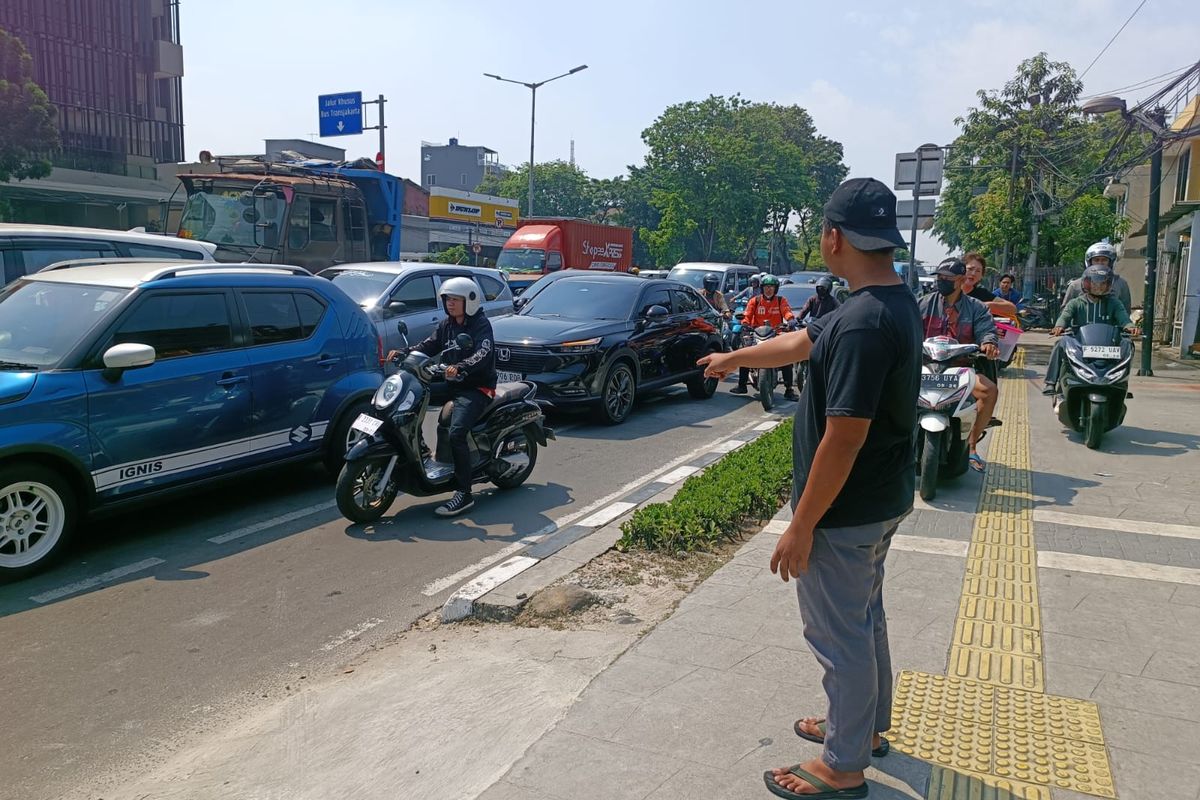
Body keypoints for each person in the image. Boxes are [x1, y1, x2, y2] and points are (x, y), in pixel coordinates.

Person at [699, 177, 920, 800]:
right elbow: (802, 341)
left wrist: (801, 526)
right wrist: (737, 359)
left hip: (844, 512)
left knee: (839, 635)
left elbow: (843, 438)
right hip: (881, 501)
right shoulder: (885, 303)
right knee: (865, 619)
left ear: (833, 237)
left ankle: (843, 766)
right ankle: (865, 729)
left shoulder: (860, 324)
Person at [412, 277, 497, 517]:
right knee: (413, 399)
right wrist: (406, 353)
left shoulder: (481, 325)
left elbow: (483, 352)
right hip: (451, 382)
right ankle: (423, 451)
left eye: (455, 300)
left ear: (469, 301)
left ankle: (464, 493)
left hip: (476, 387)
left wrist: (461, 366)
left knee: (456, 432)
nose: (450, 304)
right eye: (447, 299)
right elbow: (429, 345)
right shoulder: (446, 325)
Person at [918, 258, 1000, 473]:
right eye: (940, 278)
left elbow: (987, 330)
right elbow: (907, 326)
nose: (941, 282)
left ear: (961, 280)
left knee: (989, 391)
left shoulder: (977, 308)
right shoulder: (924, 303)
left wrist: (989, 343)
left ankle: (971, 447)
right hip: (926, 367)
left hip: (961, 368)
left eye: (948, 279)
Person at [1041, 265, 1136, 397]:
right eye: (1095, 283)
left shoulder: (1115, 303)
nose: (1099, 287)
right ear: (1086, 283)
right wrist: (1059, 326)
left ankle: (1121, 382)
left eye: (1103, 283)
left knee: (1128, 344)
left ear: (1109, 285)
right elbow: (1065, 316)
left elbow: (1123, 318)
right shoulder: (1076, 303)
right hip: (1079, 341)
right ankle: (1050, 382)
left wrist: (1130, 327)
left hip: (1108, 343)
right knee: (1060, 344)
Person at [731, 274, 798, 401]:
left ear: (776, 289)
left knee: (786, 358)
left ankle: (789, 389)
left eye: (772, 287)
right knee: (745, 354)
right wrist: (745, 323)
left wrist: (790, 319)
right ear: (762, 288)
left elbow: (786, 311)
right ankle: (742, 385)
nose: (769, 289)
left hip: (775, 333)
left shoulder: (780, 300)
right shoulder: (754, 301)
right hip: (756, 333)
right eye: (767, 287)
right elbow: (747, 314)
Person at [1062, 240, 1133, 313]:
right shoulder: (1075, 285)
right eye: (1096, 260)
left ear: (1111, 262)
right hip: (1083, 323)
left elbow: (1126, 311)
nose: (1100, 263)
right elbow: (1065, 312)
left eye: (1104, 260)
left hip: (1111, 324)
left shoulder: (1120, 283)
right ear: (1089, 262)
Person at [962, 252, 1018, 319]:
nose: (973, 273)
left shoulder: (982, 293)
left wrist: (983, 306)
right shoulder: (950, 290)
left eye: (978, 271)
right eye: (970, 269)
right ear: (961, 269)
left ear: (981, 276)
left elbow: (1012, 308)